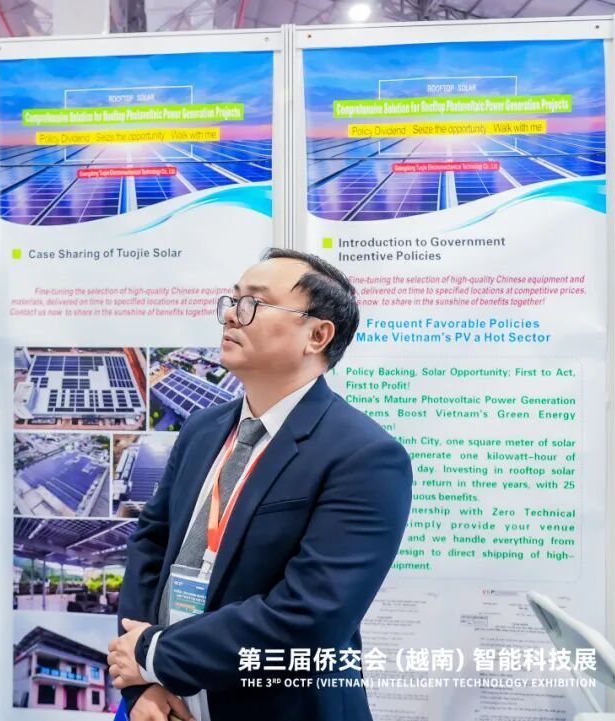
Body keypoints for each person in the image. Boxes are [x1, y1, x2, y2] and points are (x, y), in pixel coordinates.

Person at [107, 248, 412, 721]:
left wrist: (154, 654)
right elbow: (150, 545)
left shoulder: (364, 456)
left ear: (317, 335)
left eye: (254, 302)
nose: (232, 314)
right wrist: (142, 683)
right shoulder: (202, 429)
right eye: (233, 299)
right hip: (162, 699)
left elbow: (311, 615)